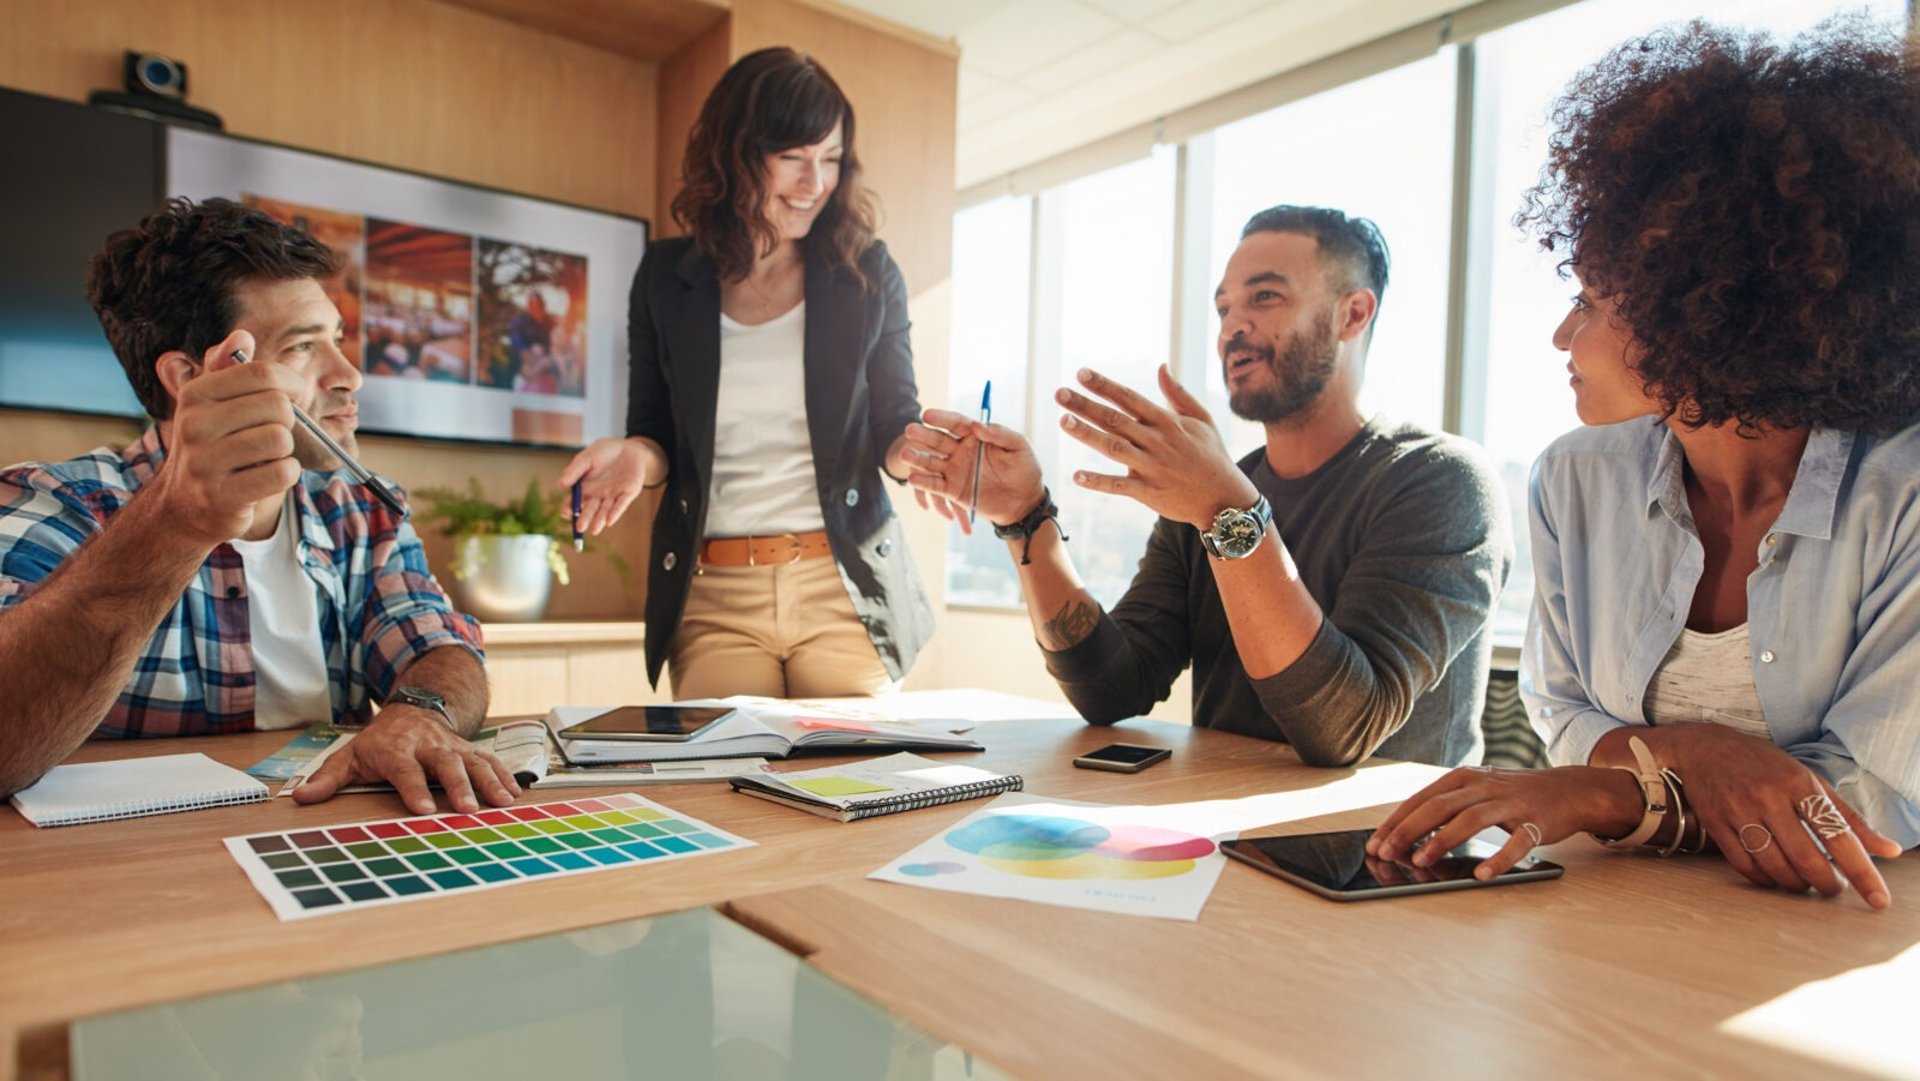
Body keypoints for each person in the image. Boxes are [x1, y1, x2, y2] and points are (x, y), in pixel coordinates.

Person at [1368, 17, 1919, 909]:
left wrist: (1615, 789)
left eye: (1589, 299)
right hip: (1619, 926)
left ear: (1711, 302)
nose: (1561, 333)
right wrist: (1702, 755)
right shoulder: (1572, 480)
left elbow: (1876, 796)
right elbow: (1563, 711)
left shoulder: (1906, 493)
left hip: (1844, 951)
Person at [904, 206, 1512, 767]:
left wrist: (1226, 508)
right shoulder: (1212, 492)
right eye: (1223, 309)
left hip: (1386, 864)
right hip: (1222, 839)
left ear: (1352, 313)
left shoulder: (1441, 482)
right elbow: (1112, 687)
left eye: (1265, 297)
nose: (1232, 328)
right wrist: (1025, 517)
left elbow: (1343, 727)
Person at [0, 197, 517, 815]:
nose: (349, 374)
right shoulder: (57, 503)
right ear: (192, 377)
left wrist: (418, 712)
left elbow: (438, 646)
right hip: (127, 874)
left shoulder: (359, 508)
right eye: (302, 347)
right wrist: (173, 524)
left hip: (322, 840)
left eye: (338, 339)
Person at [561, 47, 952, 699]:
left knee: (852, 786)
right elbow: (655, 432)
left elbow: (894, 421)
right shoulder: (665, 277)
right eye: (793, 158)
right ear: (736, 154)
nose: (815, 182)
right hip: (716, 597)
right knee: (722, 789)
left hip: (843, 585)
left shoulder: (867, 273)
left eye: (830, 159)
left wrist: (925, 452)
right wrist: (634, 454)